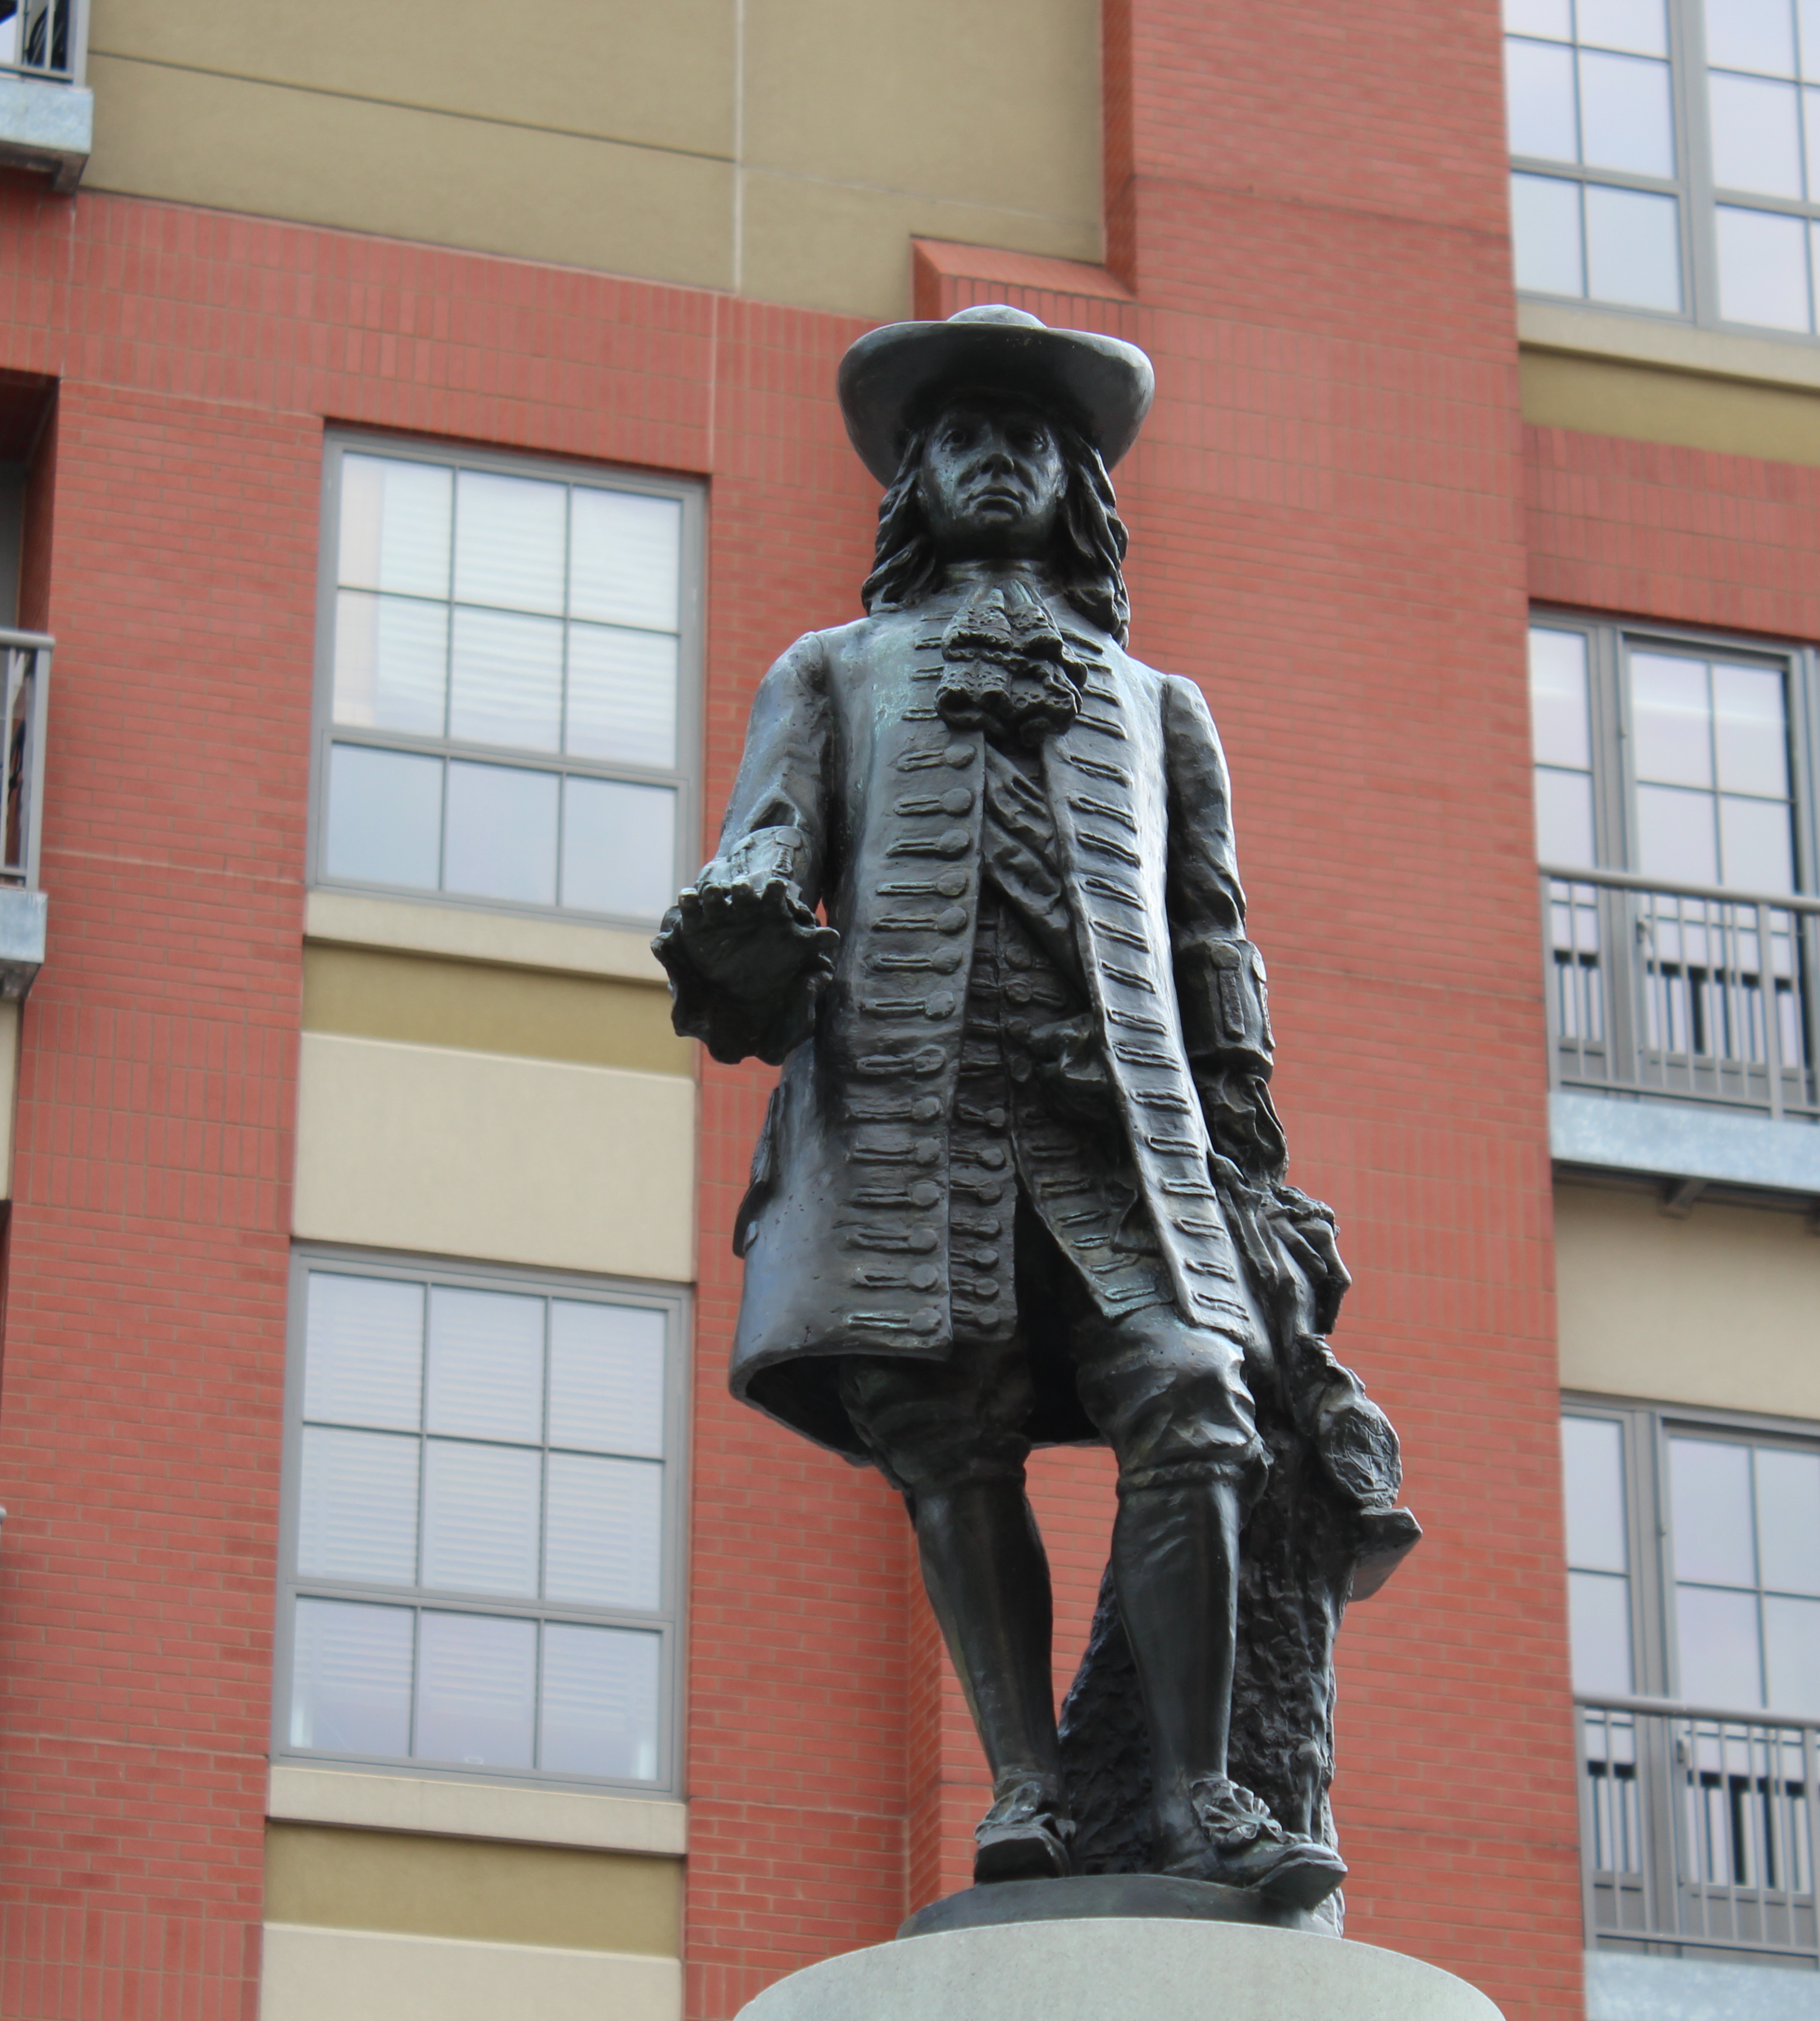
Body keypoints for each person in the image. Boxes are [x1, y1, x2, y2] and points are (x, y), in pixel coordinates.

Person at [656, 305, 1343, 1910]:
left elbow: (1210, 931)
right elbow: (767, 843)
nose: (992, 463)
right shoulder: (831, 672)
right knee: (951, 1435)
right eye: (959, 439)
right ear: (913, 483)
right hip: (912, 1111)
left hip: (1120, 1136)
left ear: (1076, 486)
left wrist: (1247, 1144)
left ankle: (1198, 1795)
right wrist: (745, 911)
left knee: (1194, 1397)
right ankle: (1027, 1789)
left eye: (1026, 441)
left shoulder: (1160, 706)